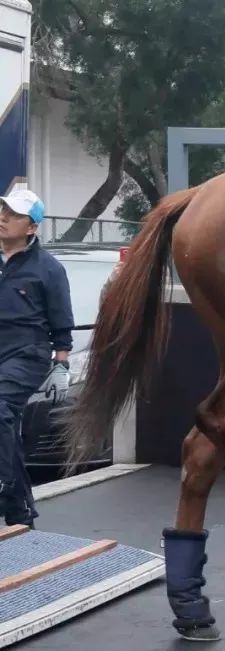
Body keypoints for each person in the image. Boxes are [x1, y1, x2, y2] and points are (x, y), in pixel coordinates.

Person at [0, 189, 74, 527]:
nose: (3, 218)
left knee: (0, 410)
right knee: (6, 429)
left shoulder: (49, 269)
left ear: (31, 227)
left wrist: (61, 364)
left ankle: (3, 485)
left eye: (13, 215)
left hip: (27, 352)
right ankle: (19, 512)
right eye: (2, 210)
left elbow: (61, 323)